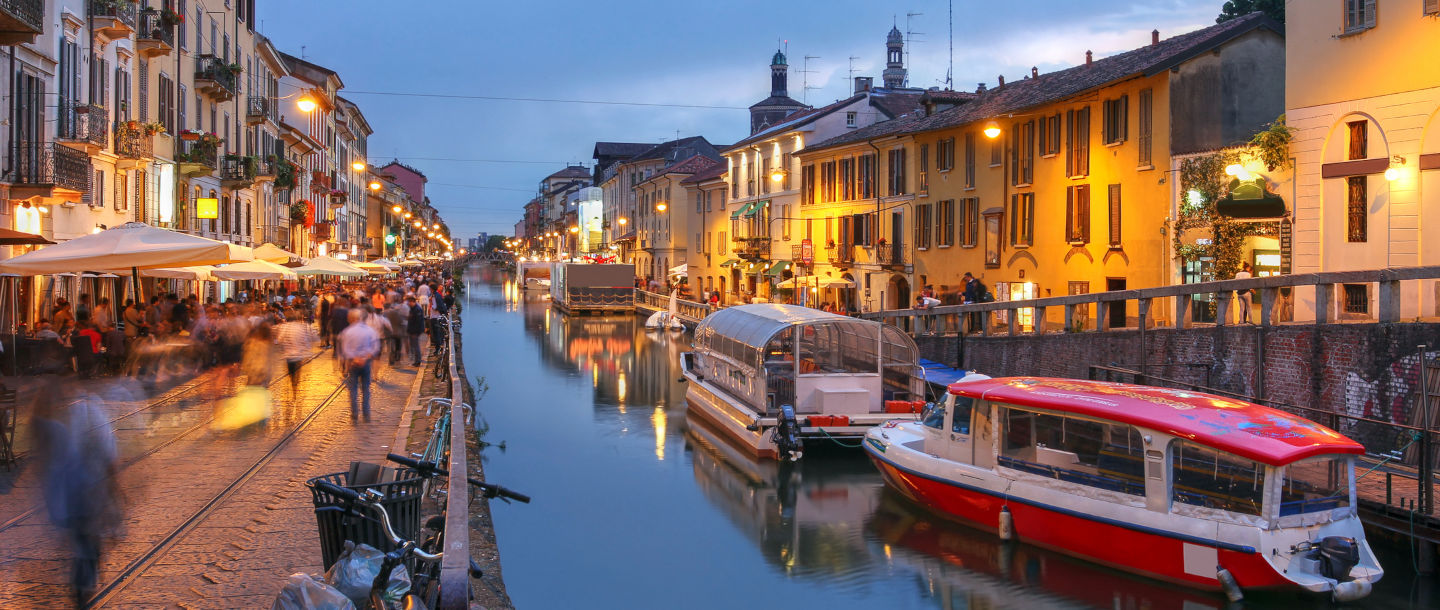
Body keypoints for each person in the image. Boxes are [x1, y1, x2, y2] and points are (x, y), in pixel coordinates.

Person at [31, 383, 120, 605]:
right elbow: (106, 452)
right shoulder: (86, 412)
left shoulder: (41, 426)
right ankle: (82, 587)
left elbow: (45, 467)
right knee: (89, 542)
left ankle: (81, 586)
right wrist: (113, 489)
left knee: (81, 540)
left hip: (64, 498)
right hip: (83, 491)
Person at [337, 309, 381, 422]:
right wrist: (366, 357)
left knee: (353, 390)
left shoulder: (347, 332)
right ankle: (366, 414)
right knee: (366, 389)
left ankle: (354, 414)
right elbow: (376, 346)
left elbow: (344, 349)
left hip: (352, 363)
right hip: (366, 363)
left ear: (352, 319)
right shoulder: (369, 330)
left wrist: (354, 358)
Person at [275, 310, 317, 390]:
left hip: (288, 355)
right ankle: (295, 385)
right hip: (298, 354)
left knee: (291, 372)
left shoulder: (284, 327)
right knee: (297, 371)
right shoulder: (300, 327)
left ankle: (293, 383)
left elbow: (279, 339)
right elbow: (305, 339)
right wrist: (306, 349)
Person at [383, 301, 408, 365]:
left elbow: (384, 323)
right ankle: (397, 358)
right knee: (398, 346)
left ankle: (391, 361)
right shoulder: (398, 314)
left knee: (391, 347)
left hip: (390, 333)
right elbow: (401, 322)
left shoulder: (386, 314)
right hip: (398, 333)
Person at [405, 296, 425, 367]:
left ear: (413, 302)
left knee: (416, 346)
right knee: (413, 345)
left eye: (409, 302)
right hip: (412, 330)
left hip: (415, 331)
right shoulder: (413, 309)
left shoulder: (417, 309)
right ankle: (416, 360)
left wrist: (415, 332)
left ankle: (418, 361)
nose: (408, 304)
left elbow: (418, 322)